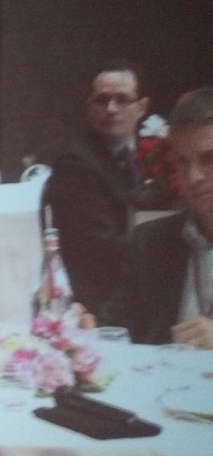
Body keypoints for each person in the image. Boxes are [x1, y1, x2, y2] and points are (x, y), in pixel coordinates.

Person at [41, 62, 151, 321]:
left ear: (142, 107)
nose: (111, 109)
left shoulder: (153, 154)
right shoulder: (75, 166)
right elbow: (97, 248)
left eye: (122, 99)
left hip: (137, 285)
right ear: (89, 107)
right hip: (96, 302)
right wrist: (165, 244)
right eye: (102, 100)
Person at [107, 86, 213, 349]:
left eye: (209, 159)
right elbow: (115, 328)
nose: (194, 177)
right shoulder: (150, 242)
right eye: (184, 163)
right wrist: (84, 326)